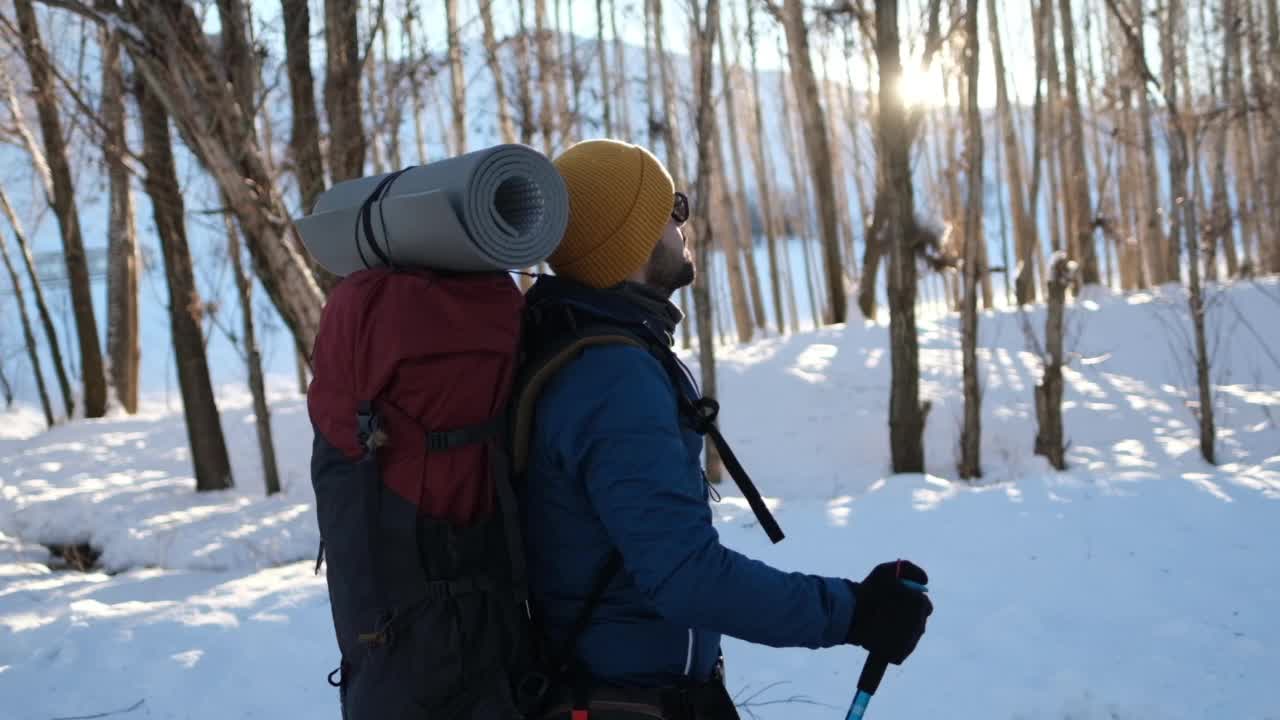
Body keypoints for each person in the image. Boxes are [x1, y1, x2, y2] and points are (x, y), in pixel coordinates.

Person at [519, 139, 933, 720]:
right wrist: (854, 611)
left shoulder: (599, 352)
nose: (683, 222)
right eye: (672, 207)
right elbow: (687, 577)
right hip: (625, 701)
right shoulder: (611, 380)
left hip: (633, 693)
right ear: (630, 235)